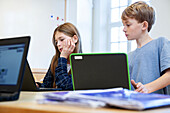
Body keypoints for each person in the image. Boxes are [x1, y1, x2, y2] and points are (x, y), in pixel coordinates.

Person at [121, 1, 170, 94]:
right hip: (136, 105)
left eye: (128, 25)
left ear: (144, 25)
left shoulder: (161, 44)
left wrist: (147, 88)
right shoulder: (128, 56)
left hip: (158, 106)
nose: (124, 29)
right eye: (123, 25)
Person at [36, 22, 82, 90]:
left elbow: (65, 86)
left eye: (62, 40)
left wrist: (63, 57)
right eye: (56, 42)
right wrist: (38, 85)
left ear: (75, 39)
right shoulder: (55, 60)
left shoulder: (82, 62)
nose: (58, 44)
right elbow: (47, 85)